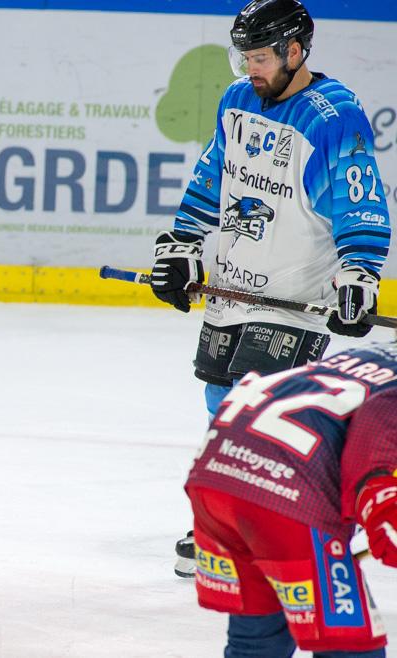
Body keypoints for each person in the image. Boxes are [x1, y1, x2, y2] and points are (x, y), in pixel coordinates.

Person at [149, 0, 391, 577]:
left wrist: (359, 272)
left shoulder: (333, 116)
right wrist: (182, 243)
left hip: (294, 296)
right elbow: (214, 177)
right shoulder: (237, 101)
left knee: (264, 412)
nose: (248, 69)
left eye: (258, 57)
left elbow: (359, 202)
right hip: (233, 289)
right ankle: (231, 515)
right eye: (244, 56)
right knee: (221, 404)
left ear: (295, 51)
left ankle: (261, 525)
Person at [185, 340, 397, 657]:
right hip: (286, 494)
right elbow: (374, 478)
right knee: (347, 645)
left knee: (258, 642)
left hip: (217, 474)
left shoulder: (379, 355)